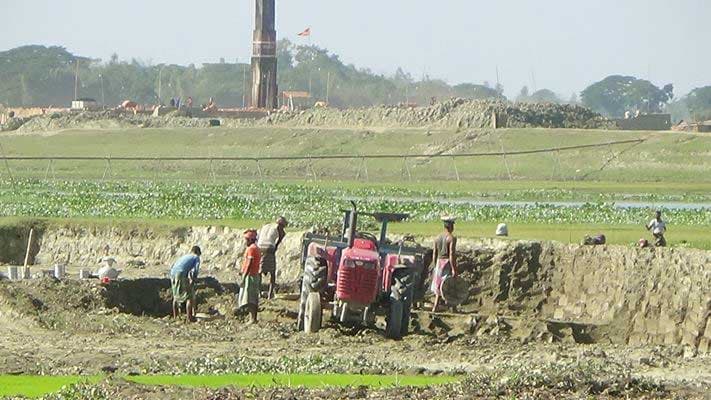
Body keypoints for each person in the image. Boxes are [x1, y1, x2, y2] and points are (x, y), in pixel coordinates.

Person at [431, 216, 457, 312]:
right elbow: (451, 254)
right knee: (449, 284)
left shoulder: (437, 238)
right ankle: (453, 307)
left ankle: (435, 306)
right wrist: (454, 268)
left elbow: (434, 253)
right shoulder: (451, 238)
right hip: (446, 262)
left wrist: (434, 265)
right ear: (451, 226)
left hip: (439, 262)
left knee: (439, 285)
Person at [257, 216, 288, 299]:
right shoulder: (278, 228)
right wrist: (275, 247)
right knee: (272, 272)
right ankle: (270, 294)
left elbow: (259, 237)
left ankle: (259, 292)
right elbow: (281, 237)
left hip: (259, 247)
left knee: (259, 271)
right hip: (268, 248)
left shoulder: (266, 225)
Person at [169, 246, 201, 322]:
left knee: (175, 295)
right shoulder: (196, 257)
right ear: (198, 252)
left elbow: (175, 266)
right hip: (180, 273)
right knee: (189, 296)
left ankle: (175, 316)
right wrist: (193, 280)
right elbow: (195, 270)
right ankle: (189, 318)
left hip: (172, 273)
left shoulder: (185, 256)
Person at [239, 230, 261, 324]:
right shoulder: (255, 248)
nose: (245, 241)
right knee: (252, 297)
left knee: (250, 298)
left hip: (251, 275)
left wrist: (244, 275)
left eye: (246, 239)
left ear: (250, 239)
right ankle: (252, 318)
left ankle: (252, 318)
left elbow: (249, 263)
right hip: (254, 274)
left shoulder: (251, 249)